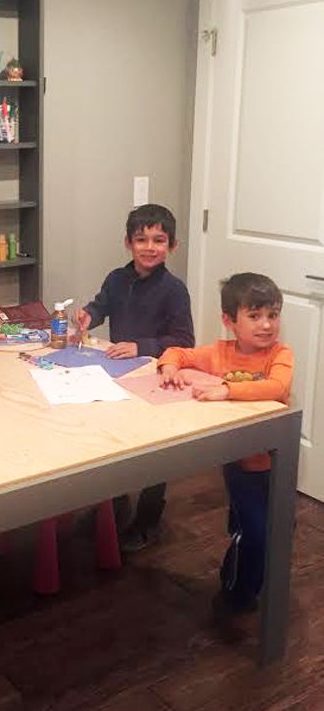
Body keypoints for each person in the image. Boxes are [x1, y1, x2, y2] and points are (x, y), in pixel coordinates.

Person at [158, 272, 293, 613]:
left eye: (272, 315)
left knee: (276, 529)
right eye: (255, 315)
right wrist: (169, 367)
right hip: (241, 465)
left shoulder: (280, 354)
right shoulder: (220, 353)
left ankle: (252, 577)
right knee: (254, 533)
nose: (266, 325)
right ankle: (237, 594)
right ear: (229, 321)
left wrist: (227, 390)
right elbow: (177, 352)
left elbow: (276, 387)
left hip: (278, 462)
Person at [74, 204, 194, 551]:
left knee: (155, 452)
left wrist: (140, 345)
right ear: (128, 242)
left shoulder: (174, 290)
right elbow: (101, 305)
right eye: (141, 239)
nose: (149, 247)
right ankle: (111, 505)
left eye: (159, 240)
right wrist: (87, 316)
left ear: (172, 246)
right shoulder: (116, 278)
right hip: (117, 373)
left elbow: (184, 341)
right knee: (111, 442)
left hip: (155, 375)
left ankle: (148, 520)